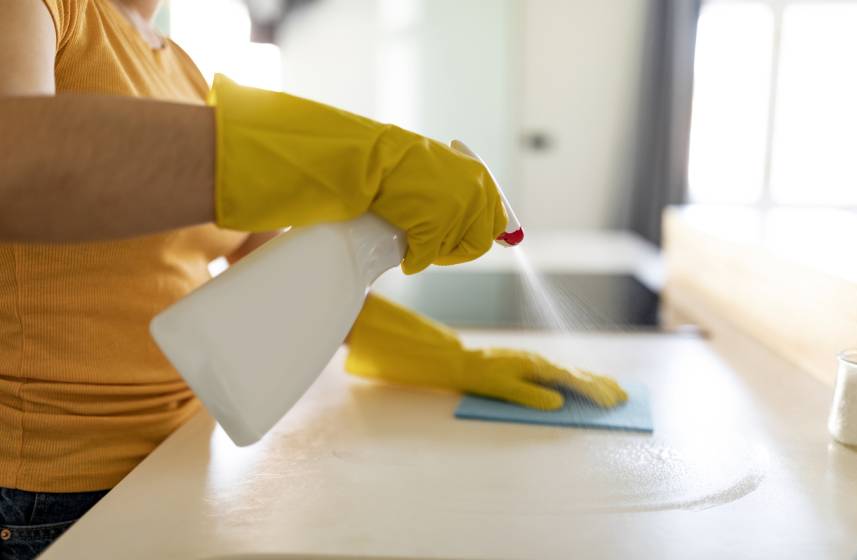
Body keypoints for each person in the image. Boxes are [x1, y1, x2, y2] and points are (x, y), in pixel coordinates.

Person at [0, 1, 627, 558]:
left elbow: (250, 250)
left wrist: (440, 356)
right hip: (43, 495)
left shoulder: (181, 68)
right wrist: (365, 160)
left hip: (178, 455)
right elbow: (16, 162)